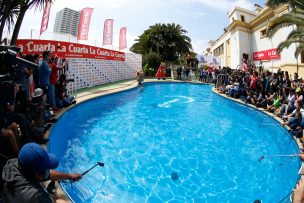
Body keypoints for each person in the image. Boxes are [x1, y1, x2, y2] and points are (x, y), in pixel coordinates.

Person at [1, 142, 82, 203]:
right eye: (46, 169)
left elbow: (46, 175)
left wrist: (69, 176)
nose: (48, 172)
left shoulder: (12, 164)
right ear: (38, 175)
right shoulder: (36, 197)